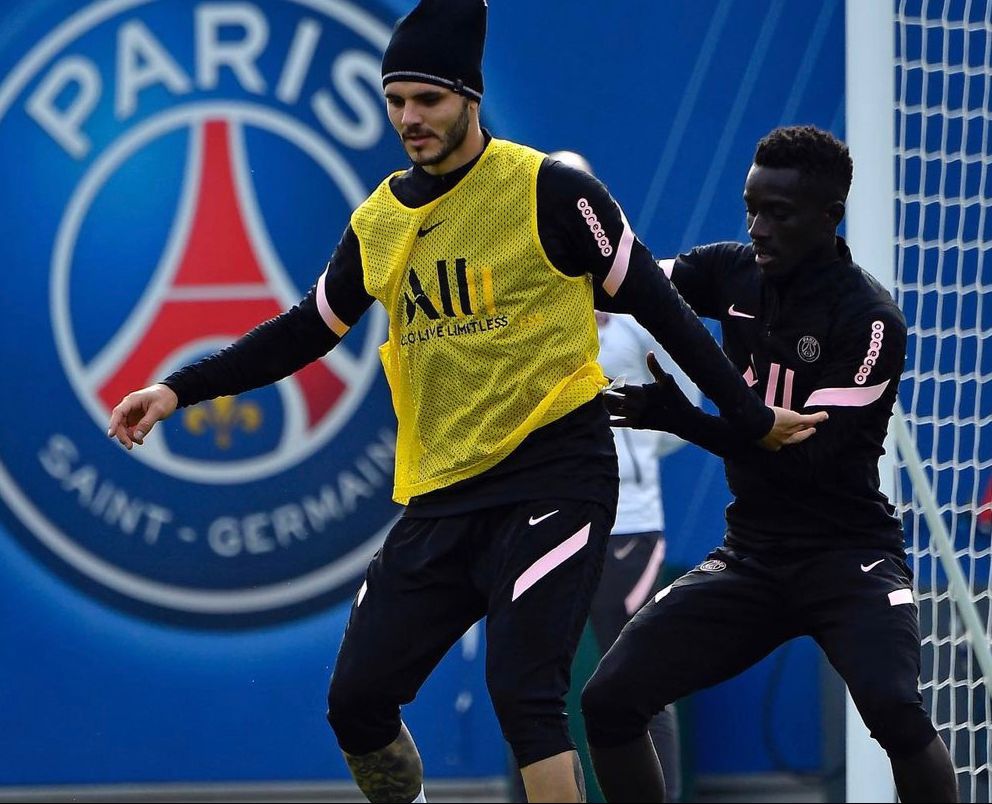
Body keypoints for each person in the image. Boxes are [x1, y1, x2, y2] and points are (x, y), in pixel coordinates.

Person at [106, 2, 826, 799]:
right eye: (397, 101)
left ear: (470, 98)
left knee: (526, 696)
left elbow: (661, 305)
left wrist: (750, 418)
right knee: (356, 702)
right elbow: (303, 330)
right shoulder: (379, 220)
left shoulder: (548, 190)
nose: (409, 118)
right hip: (443, 494)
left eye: (429, 100)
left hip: (556, 475)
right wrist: (179, 387)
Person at [581, 125, 959, 803]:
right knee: (608, 700)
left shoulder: (869, 321)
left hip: (848, 558)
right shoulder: (731, 272)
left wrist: (683, 420)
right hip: (753, 556)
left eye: (777, 214)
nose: (757, 227)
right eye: (750, 207)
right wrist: (556, 237)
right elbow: (628, 284)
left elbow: (807, 460)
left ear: (827, 217)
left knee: (896, 713)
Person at [550, 150, 690, 803]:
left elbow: (685, 401)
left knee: (638, 681)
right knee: (534, 684)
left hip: (629, 527)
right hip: (546, 523)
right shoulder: (523, 312)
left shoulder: (637, 313)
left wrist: (631, 463)